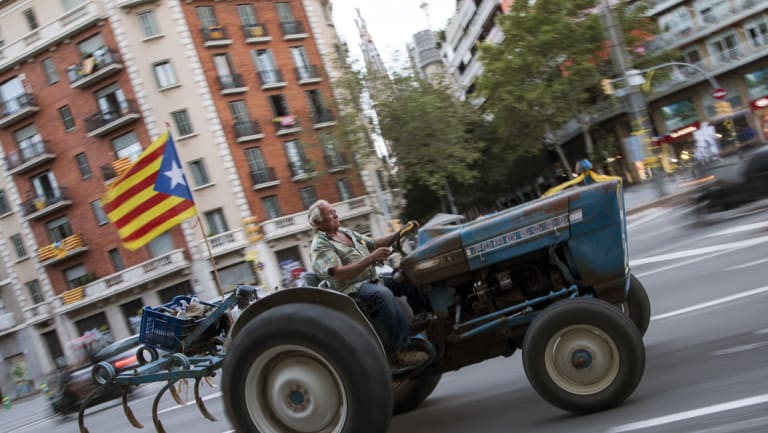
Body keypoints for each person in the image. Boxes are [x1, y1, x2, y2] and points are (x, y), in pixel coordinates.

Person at [308, 199, 427, 366]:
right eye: (330, 213)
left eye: (334, 210)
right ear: (318, 222)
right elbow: (340, 273)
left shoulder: (345, 232)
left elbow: (374, 243)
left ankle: (423, 322)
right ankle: (403, 349)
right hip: (351, 289)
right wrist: (372, 258)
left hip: (371, 279)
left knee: (406, 277)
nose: (335, 214)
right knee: (383, 294)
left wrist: (400, 232)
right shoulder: (320, 246)